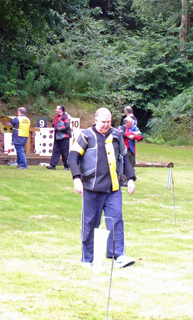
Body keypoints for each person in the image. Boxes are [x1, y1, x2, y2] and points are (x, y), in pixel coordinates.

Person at [69, 107, 136, 268]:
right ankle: (87, 259)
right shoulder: (85, 136)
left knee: (116, 220)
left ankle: (118, 255)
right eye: (103, 122)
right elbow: (73, 158)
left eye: (109, 122)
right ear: (95, 120)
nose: (106, 125)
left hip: (113, 188)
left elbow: (125, 158)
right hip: (91, 188)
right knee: (91, 223)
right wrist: (77, 178)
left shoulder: (116, 135)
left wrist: (131, 178)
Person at [47, 105, 71, 170]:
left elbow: (66, 126)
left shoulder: (66, 116)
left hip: (64, 137)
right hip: (57, 136)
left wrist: (56, 129)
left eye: (57, 109)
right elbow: (54, 124)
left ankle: (66, 166)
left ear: (61, 110)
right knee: (55, 151)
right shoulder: (56, 116)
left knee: (64, 152)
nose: (55, 110)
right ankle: (52, 165)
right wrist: (52, 129)